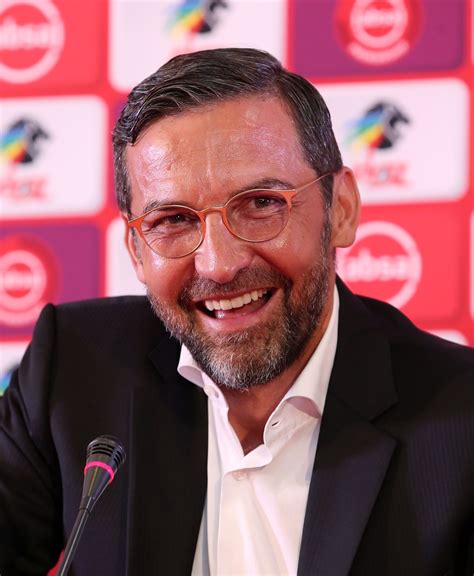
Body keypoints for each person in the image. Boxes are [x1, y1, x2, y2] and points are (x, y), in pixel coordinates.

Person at [0, 48, 473, 576]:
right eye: (174, 219)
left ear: (340, 210)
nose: (220, 264)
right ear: (136, 250)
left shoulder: (462, 423)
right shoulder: (73, 371)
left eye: (262, 203)